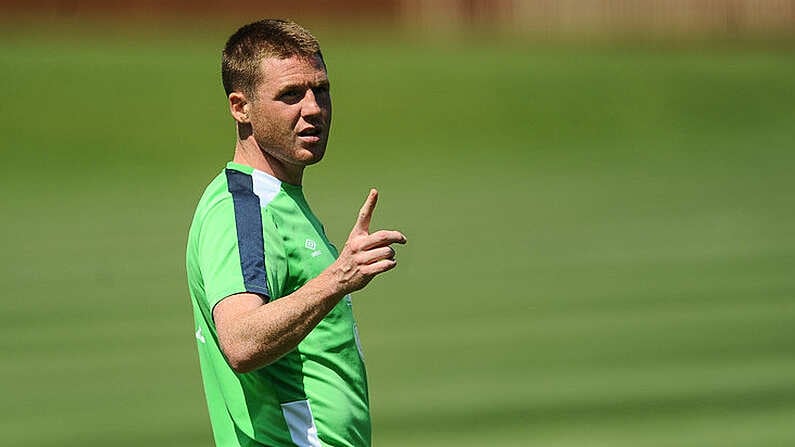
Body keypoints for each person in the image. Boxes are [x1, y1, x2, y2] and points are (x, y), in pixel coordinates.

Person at [185, 19, 406, 446]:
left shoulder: (279, 200)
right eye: (290, 95)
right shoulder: (242, 209)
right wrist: (338, 278)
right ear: (240, 106)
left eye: (320, 89)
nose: (313, 108)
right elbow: (240, 341)